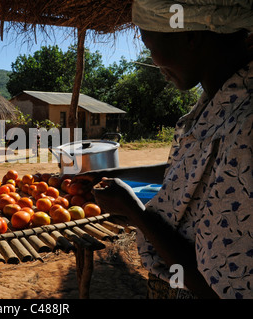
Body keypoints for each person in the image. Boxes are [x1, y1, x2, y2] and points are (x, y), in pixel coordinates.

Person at [75, 0, 253, 299]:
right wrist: (104, 173)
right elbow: (187, 171)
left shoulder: (245, 125)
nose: (154, 62)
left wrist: (135, 212)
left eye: (149, 45)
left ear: (189, 36)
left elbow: (219, 289)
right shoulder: (217, 103)